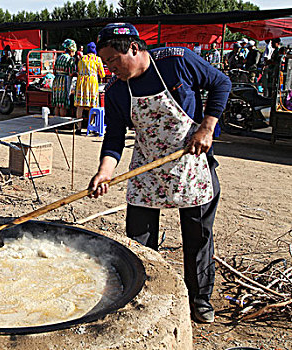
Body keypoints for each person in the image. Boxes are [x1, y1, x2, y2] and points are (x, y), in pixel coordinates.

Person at [89, 23, 231, 323]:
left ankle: (199, 299)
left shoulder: (176, 61)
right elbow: (114, 137)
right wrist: (104, 171)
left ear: (134, 48)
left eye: (114, 60)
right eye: (105, 63)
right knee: (139, 238)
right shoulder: (116, 91)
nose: (110, 68)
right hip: (147, 169)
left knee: (198, 237)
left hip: (191, 163)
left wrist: (207, 127)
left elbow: (221, 83)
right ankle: (143, 291)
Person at [74, 41, 105, 123]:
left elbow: (78, 69)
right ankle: (90, 126)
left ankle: (78, 127)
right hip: (92, 83)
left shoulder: (82, 58)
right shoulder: (97, 59)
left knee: (80, 105)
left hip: (81, 82)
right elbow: (102, 74)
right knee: (92, 105)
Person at [51, 39, 77, 117]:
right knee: (63, 104)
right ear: (71, 50)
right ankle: (62, 123)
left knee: (57, 104)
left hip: (56, 81)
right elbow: (71, 73)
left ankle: (56, 122)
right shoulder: (70, 59)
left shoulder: (59, 57)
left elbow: (54, 71)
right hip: (64, 82)